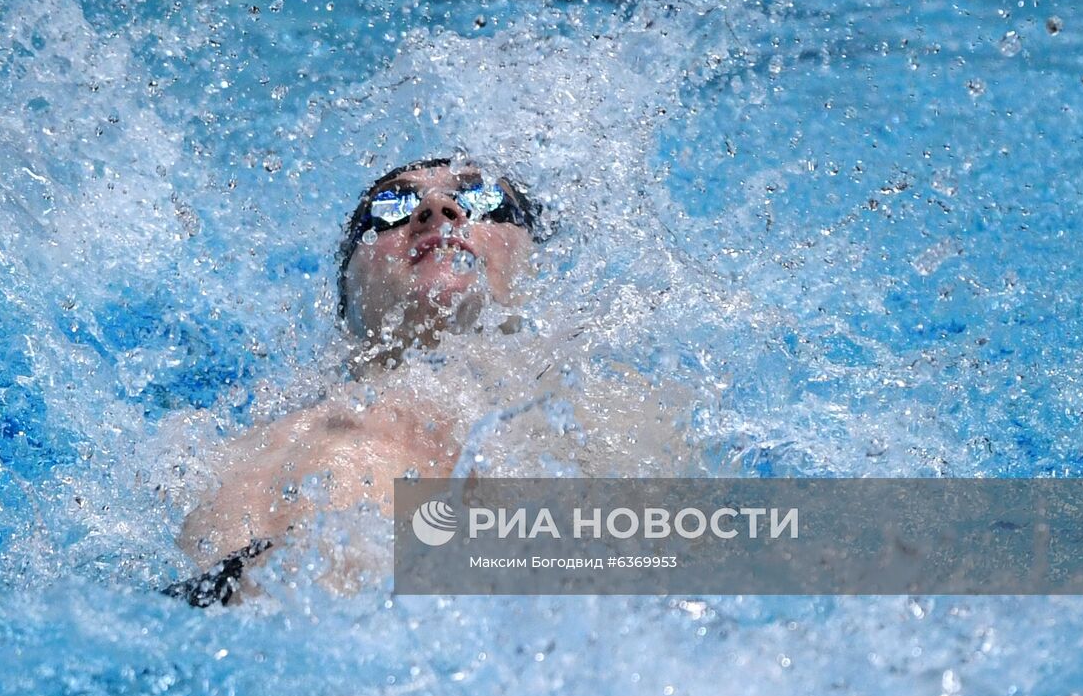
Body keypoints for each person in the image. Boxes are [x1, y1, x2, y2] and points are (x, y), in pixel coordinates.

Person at [165, 156, 698, 606]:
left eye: (485, 200)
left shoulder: (612, 411)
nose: (437, 211)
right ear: (346, 295)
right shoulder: (247, 451)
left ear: (536, 265)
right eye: (391, 207)